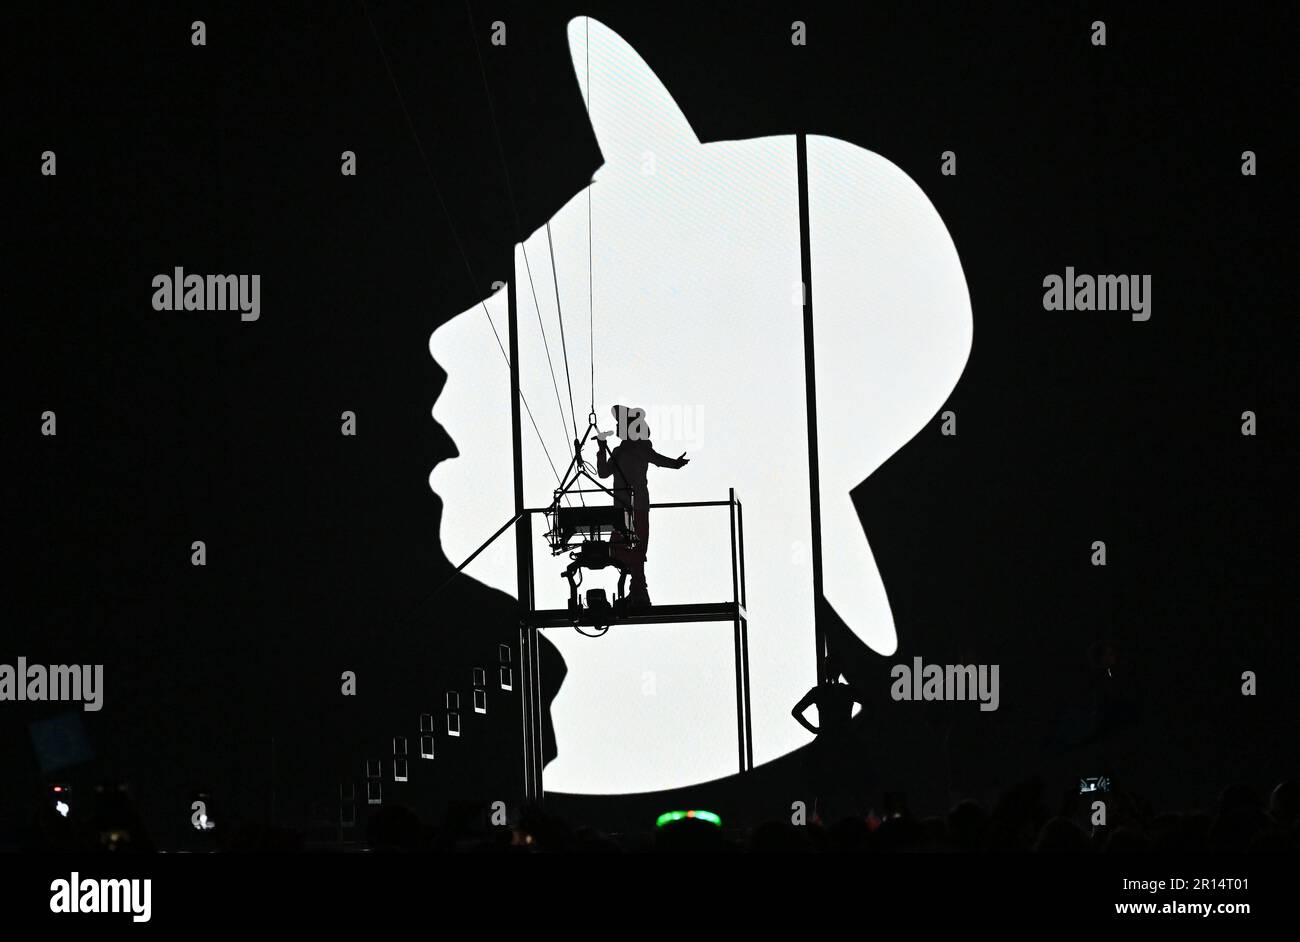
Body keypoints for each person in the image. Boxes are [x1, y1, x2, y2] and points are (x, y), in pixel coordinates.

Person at [595, 405, 689, 608]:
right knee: (626, 549)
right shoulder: (621, 451)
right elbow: (603, 472)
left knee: (633, 549)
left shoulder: (638, 449)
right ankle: (637, 591)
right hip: (625, 508)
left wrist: (675, 464)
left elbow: (658, 460)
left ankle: (638, 592)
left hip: (635, 507)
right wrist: (602, 448)